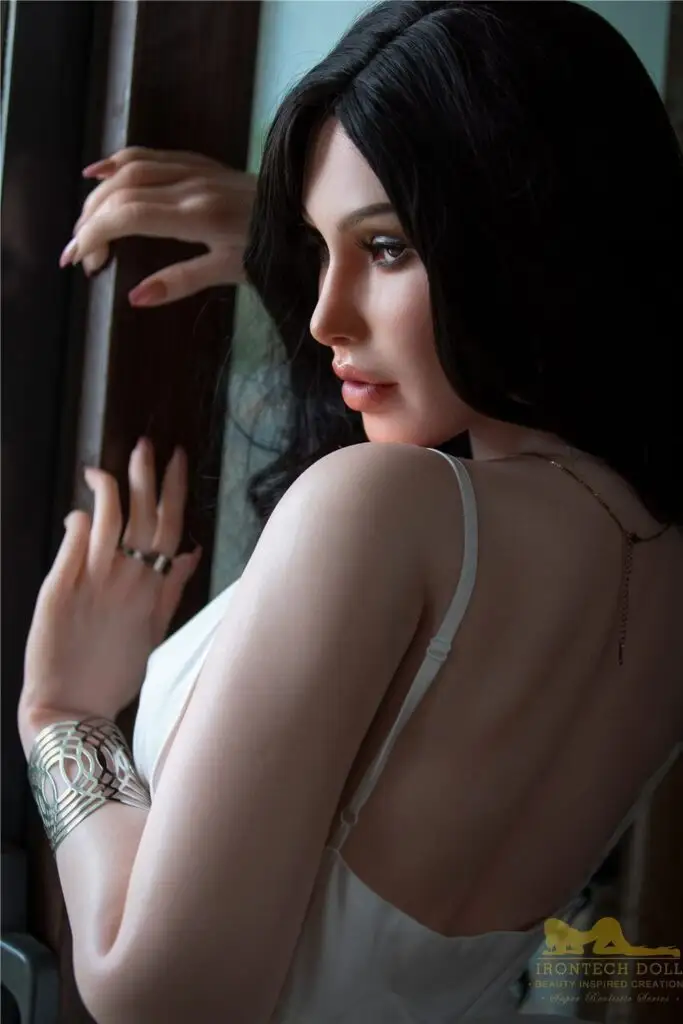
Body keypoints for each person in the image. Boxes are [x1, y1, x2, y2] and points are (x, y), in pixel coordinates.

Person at [18, 2, 683, 1022]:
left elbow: (160, 996)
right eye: (312, 249)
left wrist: (63, 718)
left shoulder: (384, 508)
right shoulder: (654, 552)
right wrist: (326, 236)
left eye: (383, 248)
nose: (325, 316)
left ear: (525, 234)